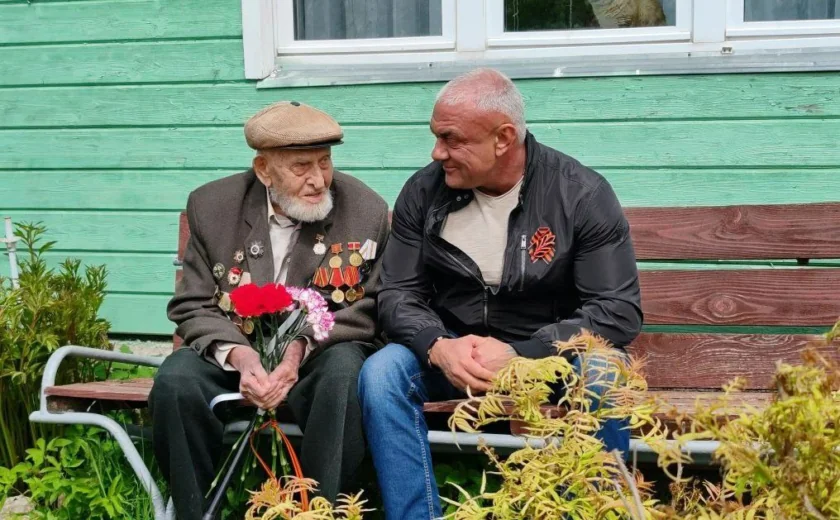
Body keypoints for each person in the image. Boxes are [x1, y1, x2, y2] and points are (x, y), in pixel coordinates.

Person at [358, 68, 643, 519]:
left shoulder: (580, 195)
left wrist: (520, 353)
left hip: (553, 356)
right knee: (382, 372)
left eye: (452, 140)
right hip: (457, 353)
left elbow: (617, 310)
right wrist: (438, 346)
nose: (437, 152)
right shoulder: (423, 192)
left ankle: (590, 511)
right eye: (436, 137)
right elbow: (397, 294)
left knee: (603, 372)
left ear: (504, 138)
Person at [150, 101, 390, 519]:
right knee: (175, 381)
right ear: (263, 170)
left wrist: (296, 350)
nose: (318, 180)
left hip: (318, 355)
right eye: (301, 167)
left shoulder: (364, 209)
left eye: (325, 162)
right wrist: (241, 357)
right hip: (235, 351)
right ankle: (192, 512)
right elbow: (193, 303)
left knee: (344, 375)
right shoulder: (213, 206)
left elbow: (367, 306)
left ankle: (324, 511)